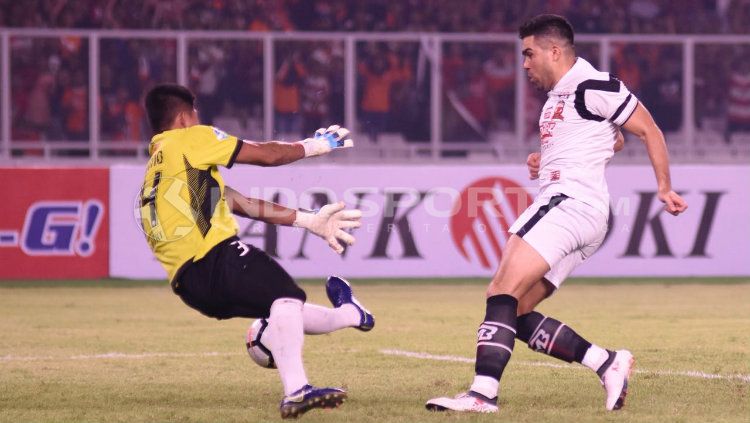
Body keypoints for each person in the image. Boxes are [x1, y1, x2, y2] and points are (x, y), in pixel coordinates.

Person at [426, 14, 687, 413]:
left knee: (500, 292)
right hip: (580, 210)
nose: (525, 64)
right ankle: (607, 362)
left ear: (554, 51)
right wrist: (546, 160)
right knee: (517, 308)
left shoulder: (593, 83)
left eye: (529, 54)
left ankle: (482, 394)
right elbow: (611, 139)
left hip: (570, 203)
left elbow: (648, 128)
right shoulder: (560, 96)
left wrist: (664, 187)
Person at [139, 83, 374, 419]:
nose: (199, 119)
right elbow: (266, 155)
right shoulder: (191, 139)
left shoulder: (160, 170)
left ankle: (352, 314)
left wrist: (309, 221)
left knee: (284, 304)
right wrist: (313, 146)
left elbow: (244, 205)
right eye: (196, 113)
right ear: (182, 118)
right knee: (286, 295)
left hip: (189, 286)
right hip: (215, 258)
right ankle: (297, 391)